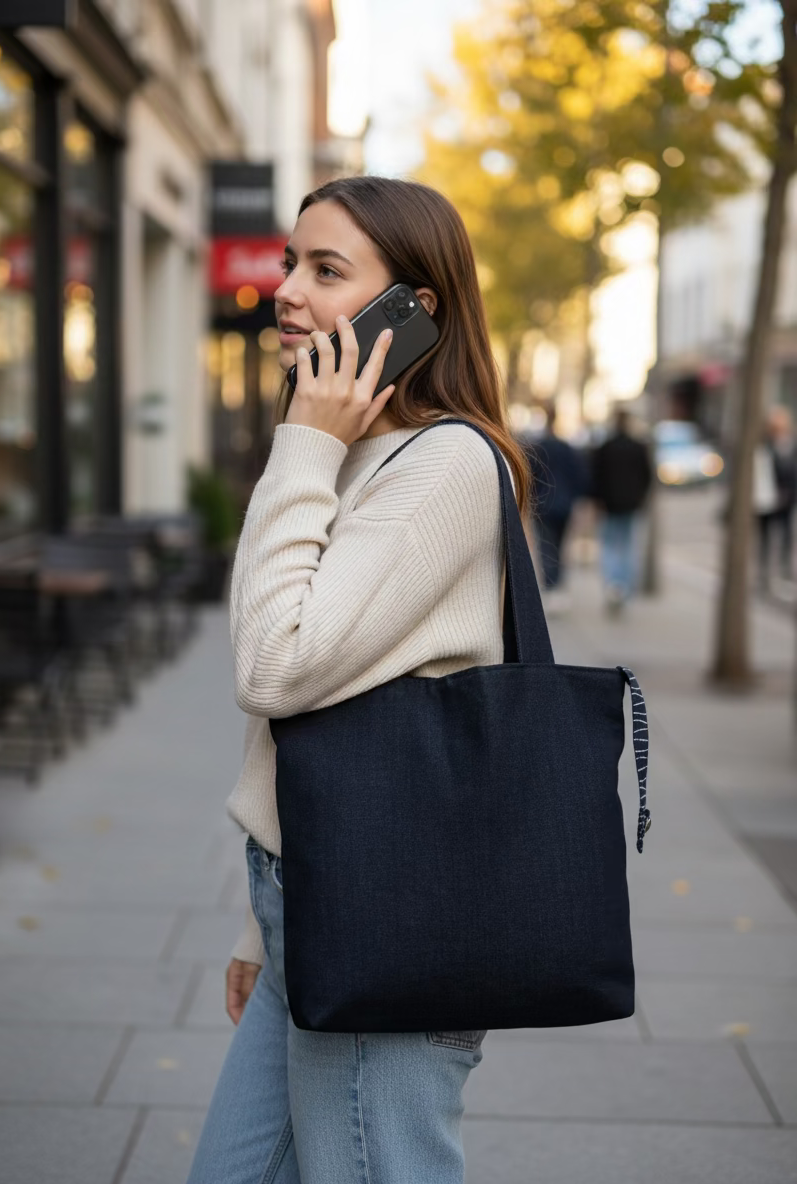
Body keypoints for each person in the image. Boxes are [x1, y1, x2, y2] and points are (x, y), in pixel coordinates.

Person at [185, 176, 533, 1184]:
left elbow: (274, 666)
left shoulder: (445, 468)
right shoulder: (353, 451)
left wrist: (301, 439)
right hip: (312, 892)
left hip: (392, 907)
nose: (286, 289)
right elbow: (305, 707)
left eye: (326, 270)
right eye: (292, 261)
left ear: (413, 310)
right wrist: (263, 919)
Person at [589, 408, 652, 614]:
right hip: (630, 505)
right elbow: (647, 477)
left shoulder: (606, 447)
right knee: (626, 546)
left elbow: (595, 477)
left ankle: (613, 585)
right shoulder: (638, 447)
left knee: (610, 545)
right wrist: (640, 498)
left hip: (609, 505)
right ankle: (623, 587)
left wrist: (596, 501)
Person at [528, 403, 588, 609]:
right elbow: (579, 477)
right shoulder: (566, 448)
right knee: (560, 546)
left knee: (547, 546)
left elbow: (529, 478)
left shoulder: (537, 447)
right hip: (563, 505)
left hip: (543, 505)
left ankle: (552, 586)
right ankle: (557, 585)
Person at [754, 405, 796, 590]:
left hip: (787, 498)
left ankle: (784, 567)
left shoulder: (790, 444)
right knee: (765, 536)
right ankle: (764, 572)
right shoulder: (764, 444)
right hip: (766, 498)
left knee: (786, 534)